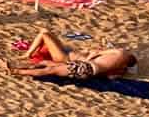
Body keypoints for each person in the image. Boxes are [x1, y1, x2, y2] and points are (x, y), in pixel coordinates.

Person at [11, 26, 139, 81]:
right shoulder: (114, 62)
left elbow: (106, 53)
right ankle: (22, 67)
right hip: (76, 61)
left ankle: (20, 67)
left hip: (71, 60)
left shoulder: (120, 54)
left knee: (50, 68)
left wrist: (93, 53)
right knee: (47, 64)